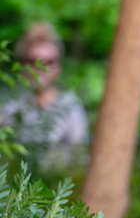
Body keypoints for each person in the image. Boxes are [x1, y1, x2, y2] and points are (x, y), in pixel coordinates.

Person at [1, 22, 89, 171]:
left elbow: (79, 159)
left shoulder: (70, 107)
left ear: (59, 66)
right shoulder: (7, 104)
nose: (41, 68)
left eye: (49, 62)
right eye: (33, 61)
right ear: (21, 64)